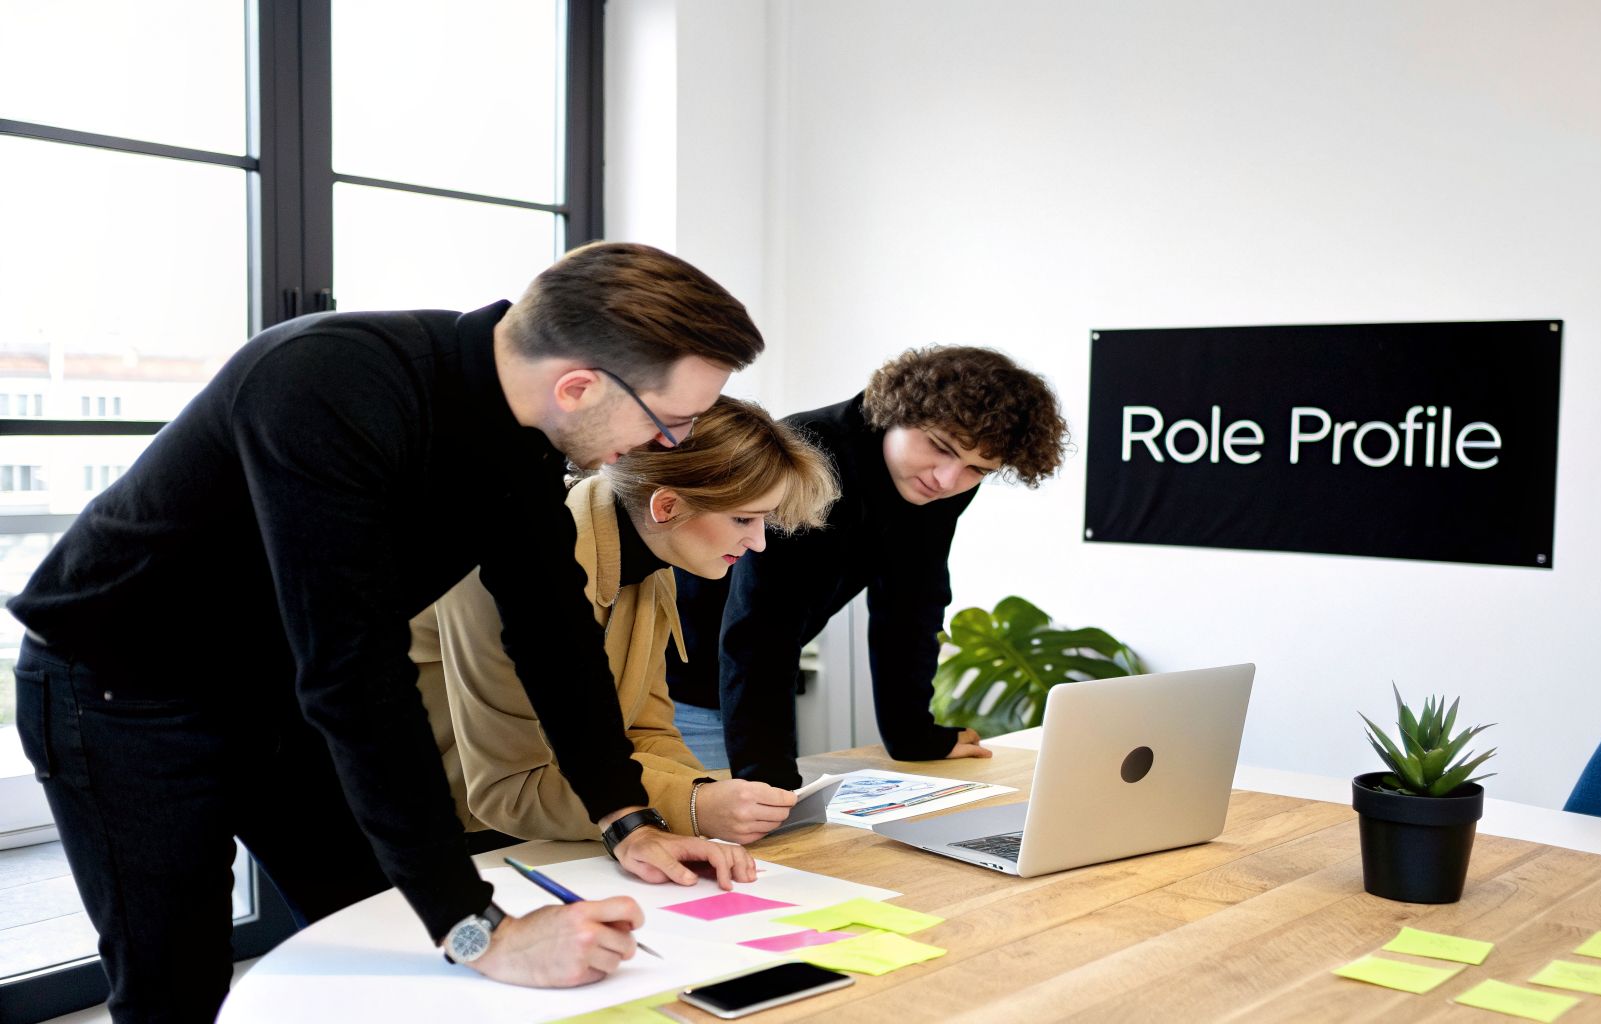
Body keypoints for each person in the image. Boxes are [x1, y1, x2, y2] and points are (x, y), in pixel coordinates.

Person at [9, 242, 766, 1021]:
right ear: (577, 386)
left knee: (384, 927)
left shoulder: (524, 435)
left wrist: (627, 820)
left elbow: (553, 629)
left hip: (276, 682)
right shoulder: (329, 383)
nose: (666, 449)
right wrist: (480, 929)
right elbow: (356, 670)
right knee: (176, 980)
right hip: (120, 688)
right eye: (669, 424)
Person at [413, 397, 837, 846]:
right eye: (742, 519)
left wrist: (708, 797)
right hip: (411, 830)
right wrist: (692, 809)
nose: (757, 543)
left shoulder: (651, 565)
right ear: (667, 506)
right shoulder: (509, 567)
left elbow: (642, 732)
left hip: (539, 823)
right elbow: (512, 786)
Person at [666, 346, 1069, 787]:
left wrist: (913, 736)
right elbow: (762, 625)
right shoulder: (807, 453)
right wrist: (769, 780)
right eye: (939, 447)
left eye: (977, 469)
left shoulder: (935, 486)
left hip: (753, 686)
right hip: (679, 688)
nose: (947, 479)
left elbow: (913, 603)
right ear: (893, 411)